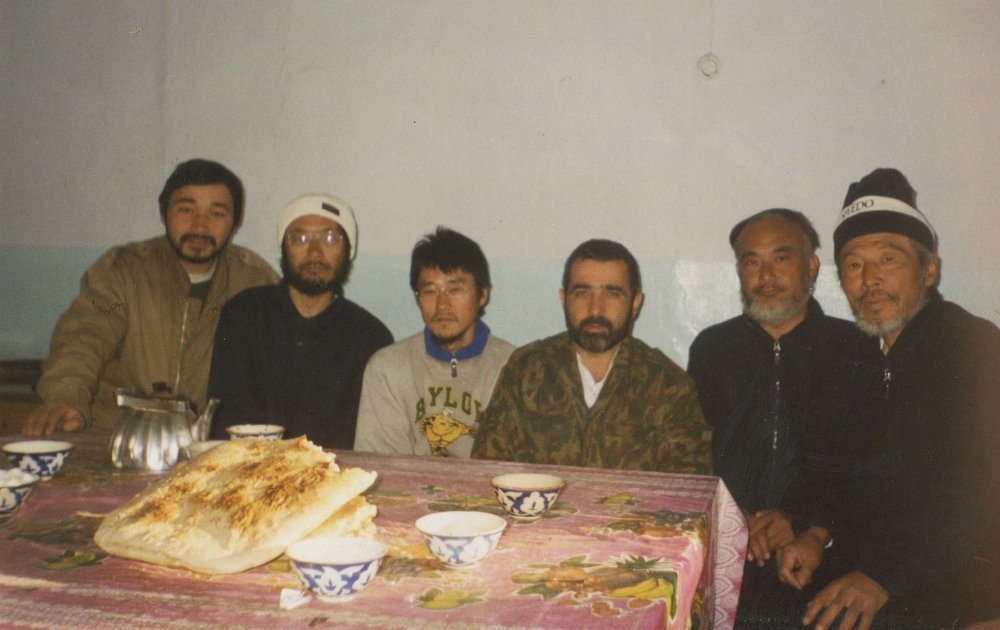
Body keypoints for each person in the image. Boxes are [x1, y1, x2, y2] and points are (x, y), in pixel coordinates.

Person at [779, 168, 1000, 629]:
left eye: (888, 259)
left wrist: (883, 578)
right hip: (879, 567)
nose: (870, 279)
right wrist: (817, 534)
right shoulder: (858, 358)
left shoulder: (973, 346)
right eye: (854, 265)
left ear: (929, 269)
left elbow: (977, 490)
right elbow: (846, 476)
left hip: (961, 573)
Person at [687, 209, 875, 626]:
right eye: (751, 262)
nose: (766, 276)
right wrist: (739, 521)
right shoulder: (713, 349)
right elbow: (694, 456)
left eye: (781, 258)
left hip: (822, 547)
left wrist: (811, 528)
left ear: (811, 266)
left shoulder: (854, 349)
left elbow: (865, 465)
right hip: (727, 545)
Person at [24, 159, 278, 437]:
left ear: (234, 223)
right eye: (186, 210)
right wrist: (66, 397)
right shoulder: (124, 270)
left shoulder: (254, 280)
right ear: (163, 214)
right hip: (117, 435)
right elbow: (85, 337)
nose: (200, 225)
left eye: (216, 214)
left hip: (207, 444)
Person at [472, 239, 711, 474]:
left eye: (612, 293)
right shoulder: (526, 370)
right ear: (564, 298)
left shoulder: (668, 386)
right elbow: (487, 469)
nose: (596, 309)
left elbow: (688, 487)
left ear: (635, 303)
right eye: (582, 293)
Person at [207, 194, 393, 449]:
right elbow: (227, 416)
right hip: (250, 466)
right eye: (300, 238)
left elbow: (363, 438)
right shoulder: (243, 315)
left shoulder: (370, 336)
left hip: (332, 470)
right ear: (283, 248)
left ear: (348, 251)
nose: (315, 252)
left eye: (329, 238)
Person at [353, 227, 515, 457]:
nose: (442, 305)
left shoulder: (513, 367)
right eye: (430, 291)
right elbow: (380, 463)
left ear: (482, 295)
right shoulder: (388, 368)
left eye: (455, 289)